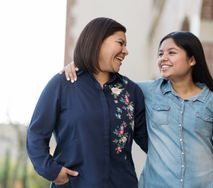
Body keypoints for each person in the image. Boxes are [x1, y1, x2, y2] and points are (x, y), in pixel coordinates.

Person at [63, 31, 213, 187]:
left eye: (171, 53)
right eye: (160, 54)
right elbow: (106, 80)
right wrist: (80, 66)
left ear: (192, 59)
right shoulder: (143, 91)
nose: (163, 59)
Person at [26, 17, 148, 188]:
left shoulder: (131, 91)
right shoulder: (63, 84)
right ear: (98, 41)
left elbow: (150, 142)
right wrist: (52, 171)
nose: (126, 51)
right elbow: (36, 134)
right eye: (121, 43)